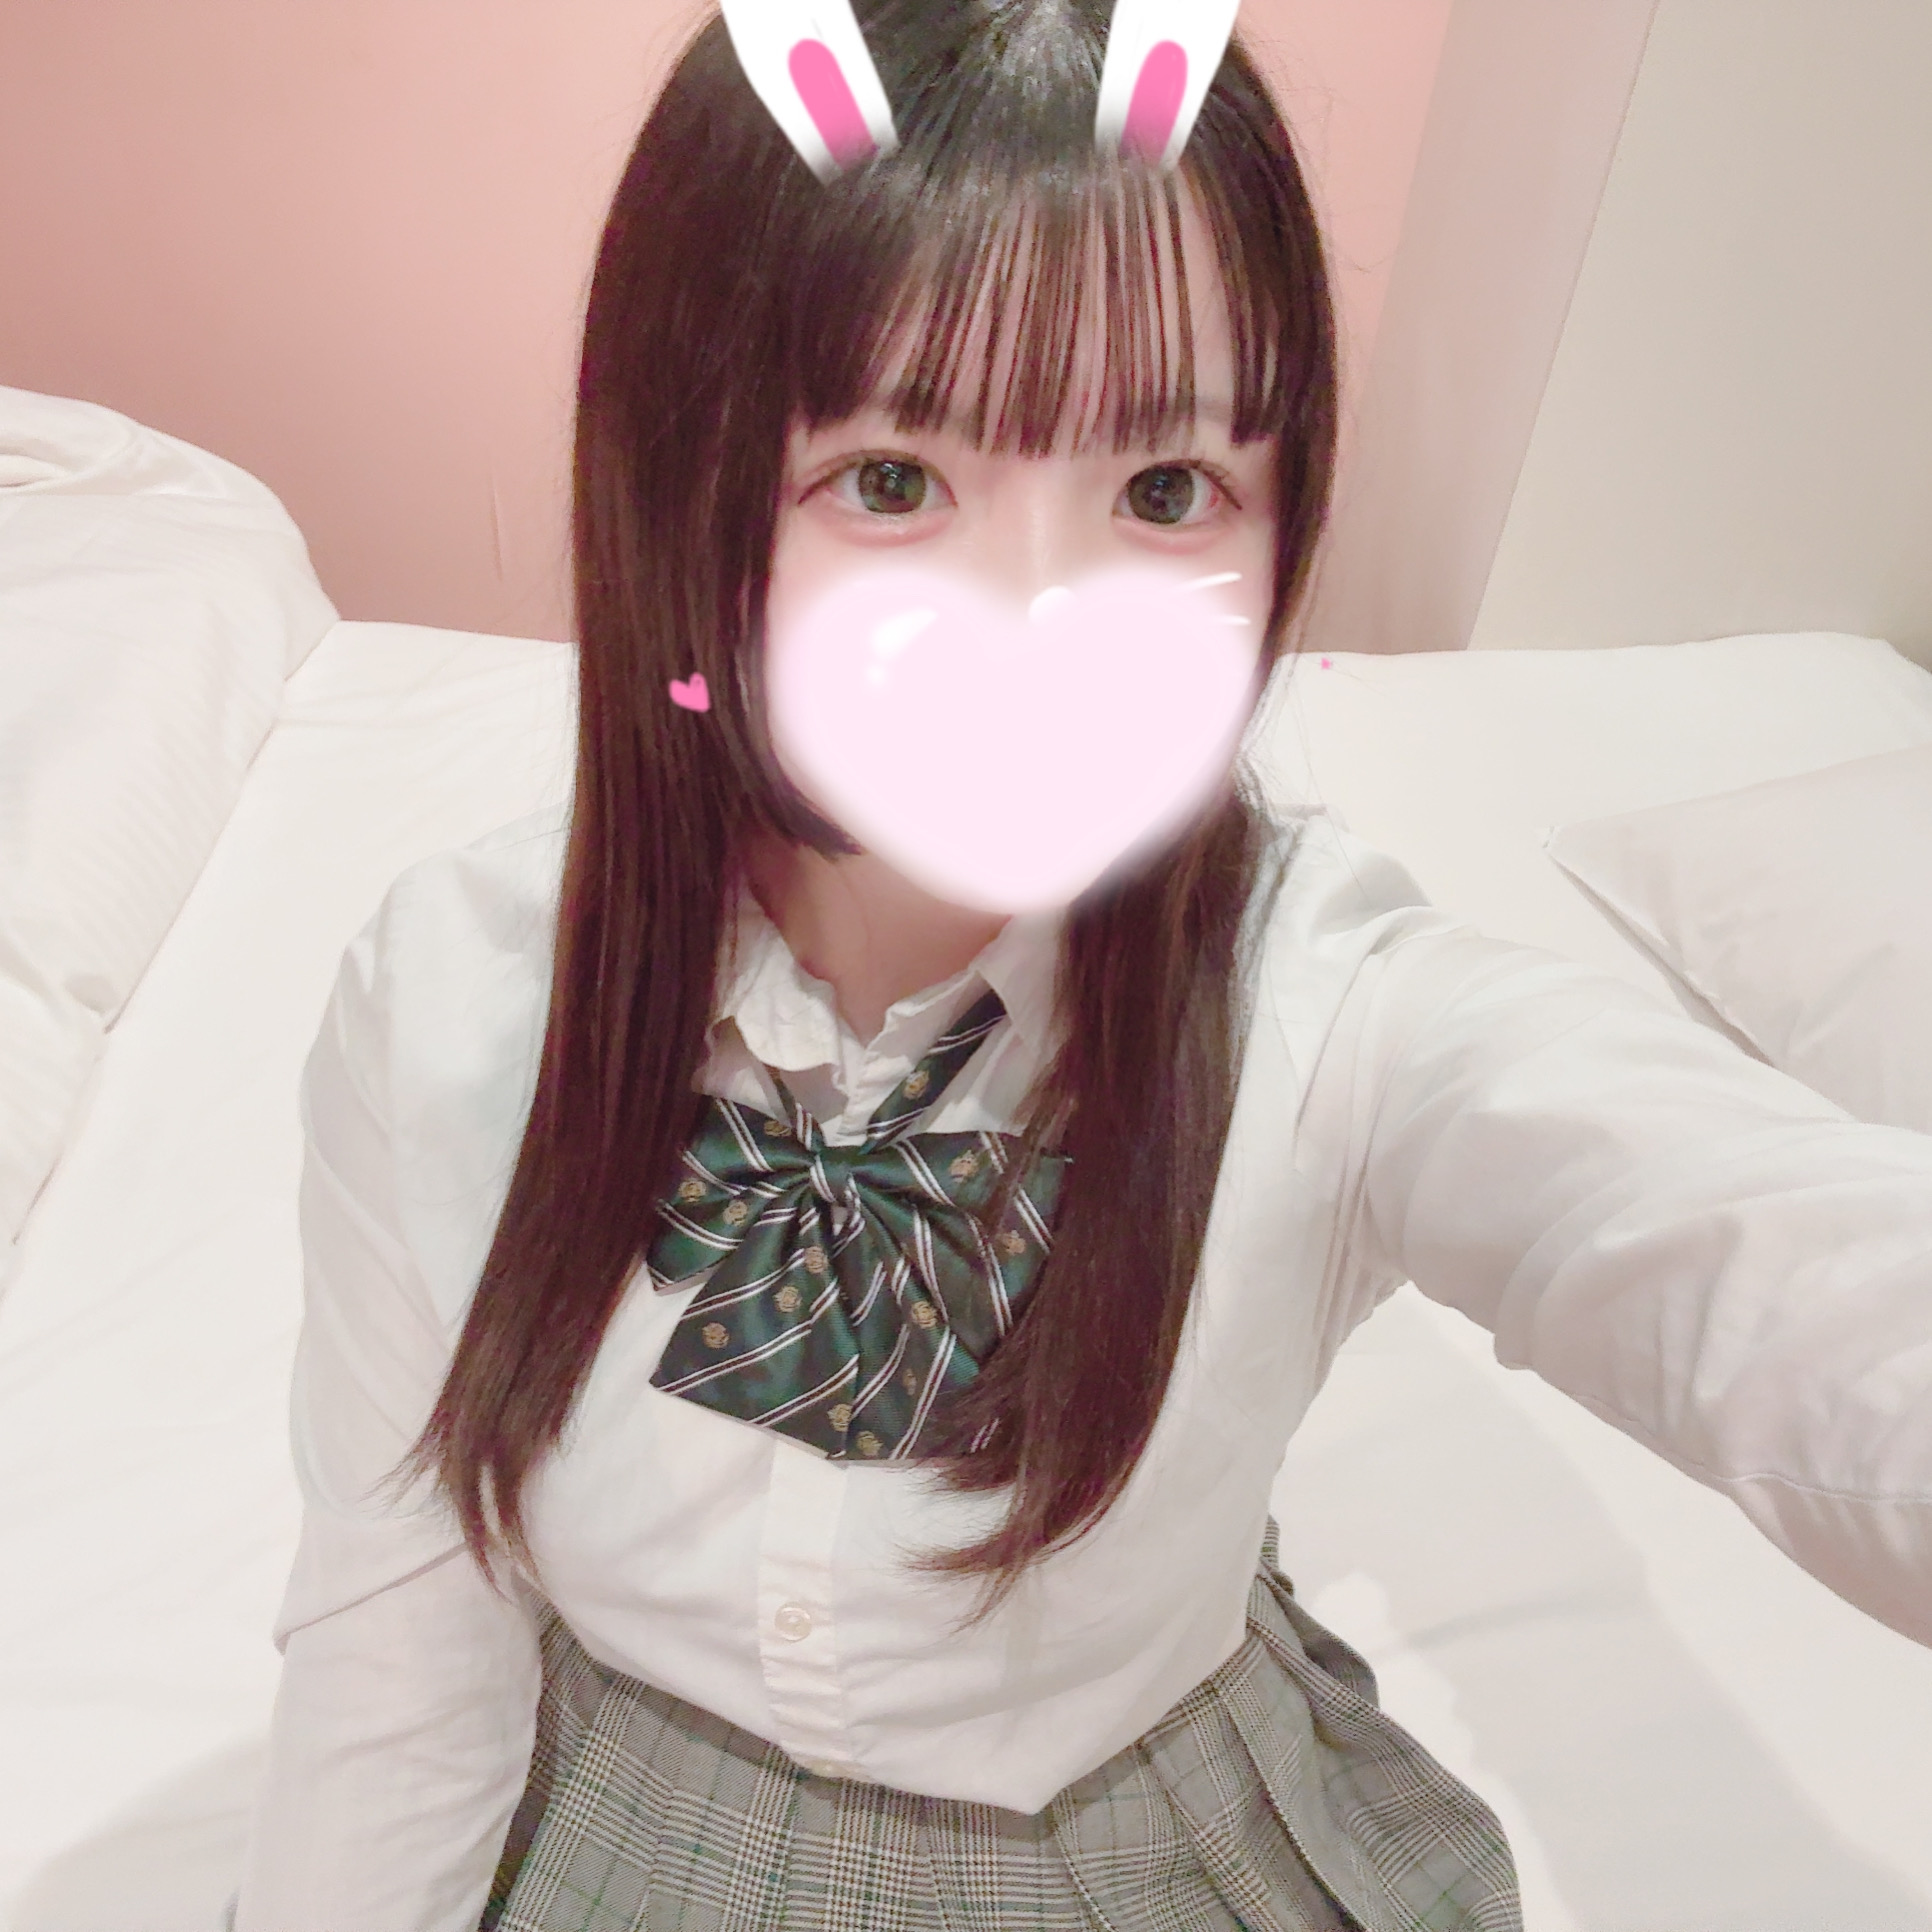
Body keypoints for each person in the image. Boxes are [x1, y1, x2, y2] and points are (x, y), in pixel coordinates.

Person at [232, 1, 1932, 1927]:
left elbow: (1762, 1271)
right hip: (620, 1815)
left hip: (1135, 1832)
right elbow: (398, 1632)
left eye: (1164, 491)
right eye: (892, 478)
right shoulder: (455, 994)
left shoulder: (1329, 1010)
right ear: (678, 492)